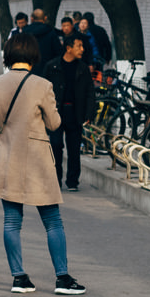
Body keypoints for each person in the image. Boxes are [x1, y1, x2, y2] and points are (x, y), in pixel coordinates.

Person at [0, 33, 85, 295]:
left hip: (7, 159)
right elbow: (54, 123)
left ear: (8, 55)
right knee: (52, 221)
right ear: (33, 55)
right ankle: (62, 278)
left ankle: (19, 278)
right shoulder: (42, 85)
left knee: (11, 221)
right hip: (37, 161)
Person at [55, 34, 95, 191]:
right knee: (55, 146)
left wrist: (89, 113)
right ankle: (55, 180)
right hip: (56, 113)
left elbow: (90, 92)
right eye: (79, 46)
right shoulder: (53, 66)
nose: (82, 49)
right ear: (68, 48)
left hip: (75, 112)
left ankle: (72, 181)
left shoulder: (83, 68)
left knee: (74, 149)